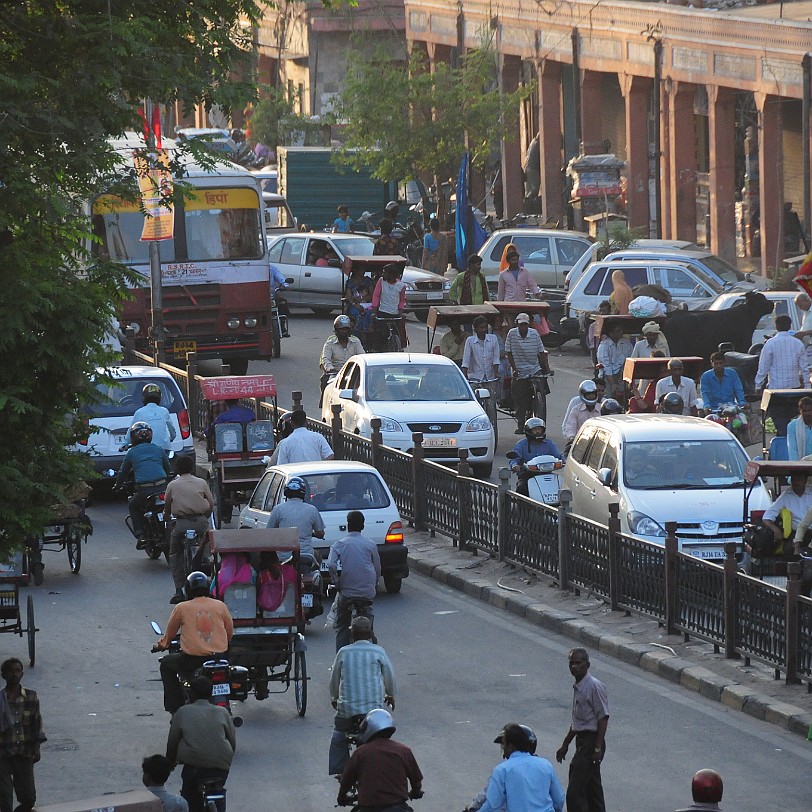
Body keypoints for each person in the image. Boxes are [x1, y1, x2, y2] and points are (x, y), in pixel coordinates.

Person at [156, 571, 234, 715]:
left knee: (166, 664)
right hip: (220, 657)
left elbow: (169, 636)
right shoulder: (220, 606)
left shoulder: (182, 607)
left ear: (188, 589)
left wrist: (161, 645)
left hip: (192, 660)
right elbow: (229, 632)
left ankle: (176, 709)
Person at [328, 616, 396, 776]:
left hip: (347, 711)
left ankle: (341, 771)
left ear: (352, 635)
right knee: (381, 738)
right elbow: (390, 676)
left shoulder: (343, 652)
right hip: (374, 712)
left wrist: (335, 698)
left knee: (339, 735)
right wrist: (390, 695)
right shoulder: (379, 651)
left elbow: (334, 680)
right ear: (371, 634)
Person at [166, 676, 236, 812]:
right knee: (218, 788)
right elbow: (232, 741)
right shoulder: (222, 712)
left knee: (190, 794)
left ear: (191, 693)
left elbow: (172, 742)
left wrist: (170, 762)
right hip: (221, 767)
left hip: (194, 768)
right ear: (211, 693)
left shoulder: (182, 712)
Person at [465, 723, 564, 812]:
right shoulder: (546, 765)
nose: (503, 749)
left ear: (511, 746)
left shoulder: (502, 770)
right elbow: (559, 799)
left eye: (504, 744)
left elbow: (492, 805)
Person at [337, 709, 423, 811]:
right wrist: (415, 792)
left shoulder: (360, 753)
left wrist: (342, 797)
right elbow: (416, 781)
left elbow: (346, 781)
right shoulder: (404, 751)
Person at [556, 648, 609, 812]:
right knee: (592, 788)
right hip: (582, 740)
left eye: (578, 663)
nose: (574, 666)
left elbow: (603, 718)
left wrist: (597, 748)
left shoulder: (594, 686)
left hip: (591, 742)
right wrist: (566, 743)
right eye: (571, 663)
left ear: (587, 665)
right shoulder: (579, 686)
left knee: (575, 792)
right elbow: (578, 721)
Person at [327, 511, 381, 651]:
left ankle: (340, 656)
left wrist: (336, 581)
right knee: (368, 621)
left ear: (348, 525)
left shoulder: (339, 544)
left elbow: (331, 565)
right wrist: (373, 584)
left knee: (342, 626)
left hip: (347, 593)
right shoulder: (370, 544)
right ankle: (371, 644)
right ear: (362, 526)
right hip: (367, 592)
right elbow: (377, 568)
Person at [165, 454, 214, 604]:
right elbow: (211, 504)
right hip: (200, 522)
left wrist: (168, 520)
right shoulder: (201, 482)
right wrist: (204, 517)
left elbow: (167, 507)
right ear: (192, 468)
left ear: (177, 469)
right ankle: (209, 581)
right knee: (207, 550)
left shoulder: (172, 485)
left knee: (175, 553)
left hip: (181, 524)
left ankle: (179, 589)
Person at [115, 421, 171, 548]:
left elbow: (123, 473)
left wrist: (118, 485)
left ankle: (140, 535)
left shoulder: (132, 453)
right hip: (162, 488)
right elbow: (167, 468)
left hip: (144, 491)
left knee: (133, 506)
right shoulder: (158, 449)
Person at [0, 658, 45, 812]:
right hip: (3, 755)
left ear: (22, 674)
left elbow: (36, 723)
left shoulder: (31, 697)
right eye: (11, 671)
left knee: (29, 799)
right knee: (5, 799)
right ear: (3, 675)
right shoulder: (0, 700)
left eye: (17, 670)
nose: (14, 674)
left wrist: (37, 749)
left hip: (24, 753)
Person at [505, 313, 550, 434]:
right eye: (521, 325)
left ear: (528, 324)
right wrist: (514, 369)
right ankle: (520, 424)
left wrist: (547, 368)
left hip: (534, 368)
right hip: (519, 370)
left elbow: (541, 352)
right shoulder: (512, 334)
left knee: (542, 388)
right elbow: (508, 352)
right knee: (519, 398)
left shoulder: (534, 334)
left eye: (525, 325)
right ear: (517, 324)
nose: (523, 327)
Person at [265, 476, 325, 567]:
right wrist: (313, 533)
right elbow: (320, 533)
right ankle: (315, 578)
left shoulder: (278, 509)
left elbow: (269, 532)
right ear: (304, 492)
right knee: (318, 556)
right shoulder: (312, 509)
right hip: (306, 555)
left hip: (283, 557)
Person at [759, 471, 812, 559]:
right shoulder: (786, 496)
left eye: (800, 479)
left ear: (805, 481)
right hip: (796, 534)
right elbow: (767, 517)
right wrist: (776, 530)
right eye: (794, 479)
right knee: (788, 550)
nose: (796, 482)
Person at [755, 313, 809, 392]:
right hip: (794, 387)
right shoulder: (798, 343)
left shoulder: (770, 343)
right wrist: (807, 385)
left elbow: (763, 367)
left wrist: (758, 385)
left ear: (776, 326)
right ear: (789, 326)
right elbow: (804, 367)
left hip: (775, 387)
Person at [510, 418, 563, 496]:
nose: (538, 432)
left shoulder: (549, 443)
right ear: (529, 431)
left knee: (562, 487)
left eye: (539, 429)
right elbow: (514, 458)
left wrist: (565, 461)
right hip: (527, 475)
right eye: (535, 430)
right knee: (521, 488)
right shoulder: (521, 445)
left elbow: (559, 456)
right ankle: (522, 507)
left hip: (547, 474)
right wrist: (515, 465)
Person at [320, 315, 365, 401]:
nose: (344, 332)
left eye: (345, 329)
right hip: (334, 374)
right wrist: (330, 368)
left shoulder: (356, 342)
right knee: (328, 390)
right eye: (341, 329)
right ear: (336, 330)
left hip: (353, 374)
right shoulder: (330, 343)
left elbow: (362, 356)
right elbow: (325, 359)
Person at [125, 383, 177, 451]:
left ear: (143, 398)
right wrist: (171, 438)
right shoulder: (164, 411)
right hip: (164, 448)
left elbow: (131, 431)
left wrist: (125, 444)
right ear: (160, 398)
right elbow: (172, 430)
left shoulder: (139, 412)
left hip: (145, 449)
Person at [371, 263, 407, 351]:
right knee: (381, 334)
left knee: (398, 333)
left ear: (391, 274)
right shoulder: (381, 281)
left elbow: (402, 300)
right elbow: (376, 296)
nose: (383, 274)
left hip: (395, 314)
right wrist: (374, 312)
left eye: (385, 273)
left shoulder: (401, 285)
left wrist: (401, 313)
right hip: (382, 312)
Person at [596, 323, 633, 402]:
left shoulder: (626, 343)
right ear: (611, 333)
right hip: (608, 376)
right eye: (617, 331)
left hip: (622, 374)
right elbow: (606, 366)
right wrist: (613, 383)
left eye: (621, 330)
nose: (620, 332)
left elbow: (630, 359)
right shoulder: (604, 346)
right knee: (608, 399)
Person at [462, 316, 500, 384]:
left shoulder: (493, 339)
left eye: (485, 327)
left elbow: (496, 358)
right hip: (475, 377)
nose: (484, 330)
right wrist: (464, 376)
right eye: (481, 328)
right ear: (475, 329)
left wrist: (496, 373)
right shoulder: (470, 341)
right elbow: (466, 360)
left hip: (490, 377)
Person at [562, 381, 601, 446]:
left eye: (593, 394)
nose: (591, 396)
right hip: (579, 444)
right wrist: (572, 438)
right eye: (588, 394)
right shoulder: (576, 410)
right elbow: (570, 427)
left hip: (599, 443)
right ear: (583, 394)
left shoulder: (602, 409)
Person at [270, 262, 291, 337]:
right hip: (258, 297)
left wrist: (285, 285)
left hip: (271, 296)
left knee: (282, 303)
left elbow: (281, 278)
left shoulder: (272, 268)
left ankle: (282, 327)